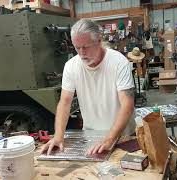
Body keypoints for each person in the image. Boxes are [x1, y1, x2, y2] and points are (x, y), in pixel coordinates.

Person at [40, 18, 136, 156]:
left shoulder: (118, 62)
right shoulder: (71, 66)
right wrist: (58, 136)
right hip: (92, 137)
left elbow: (127, 105)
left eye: (86, 47)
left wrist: (109, 139)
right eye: (77, 47)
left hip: (123, 137)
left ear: (99, 40)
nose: (81, 53)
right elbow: (65, 102)